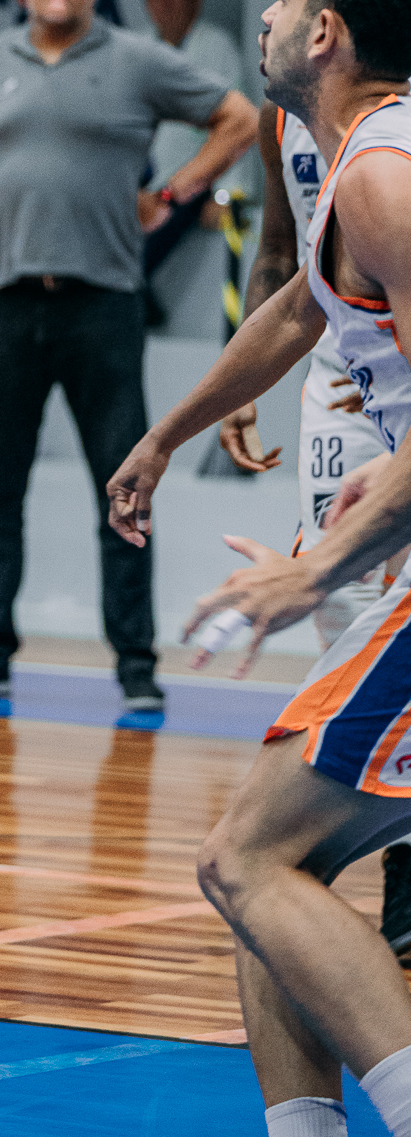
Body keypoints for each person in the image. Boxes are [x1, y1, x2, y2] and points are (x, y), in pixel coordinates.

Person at [106, 0, 411, 1137]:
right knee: (267, 855)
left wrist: (318, 567)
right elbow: (300, 309)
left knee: (248, 855)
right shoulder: (355, 167)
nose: (270, 15)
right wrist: (167, 433)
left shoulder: (386, 174)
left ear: (327, 31)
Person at [0, 0, 257, 710]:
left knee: (125, 488)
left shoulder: (134, 60)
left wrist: (170, 194)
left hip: (103, 304)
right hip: (9, 304)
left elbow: (237, 117)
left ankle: (135, 664)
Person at [217, 101, 411, 964]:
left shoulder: (385, 144)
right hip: (340, 381)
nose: (263, 34)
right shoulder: (285, 117)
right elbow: (281, 260)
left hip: (395, 366)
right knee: (351, 618)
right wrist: (235, 386)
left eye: (278, 28)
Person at [140, 0, 245, 285]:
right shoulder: (137, 49)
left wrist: (227, 194)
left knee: (137, 263)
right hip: (141, 181)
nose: (165, 4)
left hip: (190, 183)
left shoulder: (216, 48)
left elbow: (241, 125)